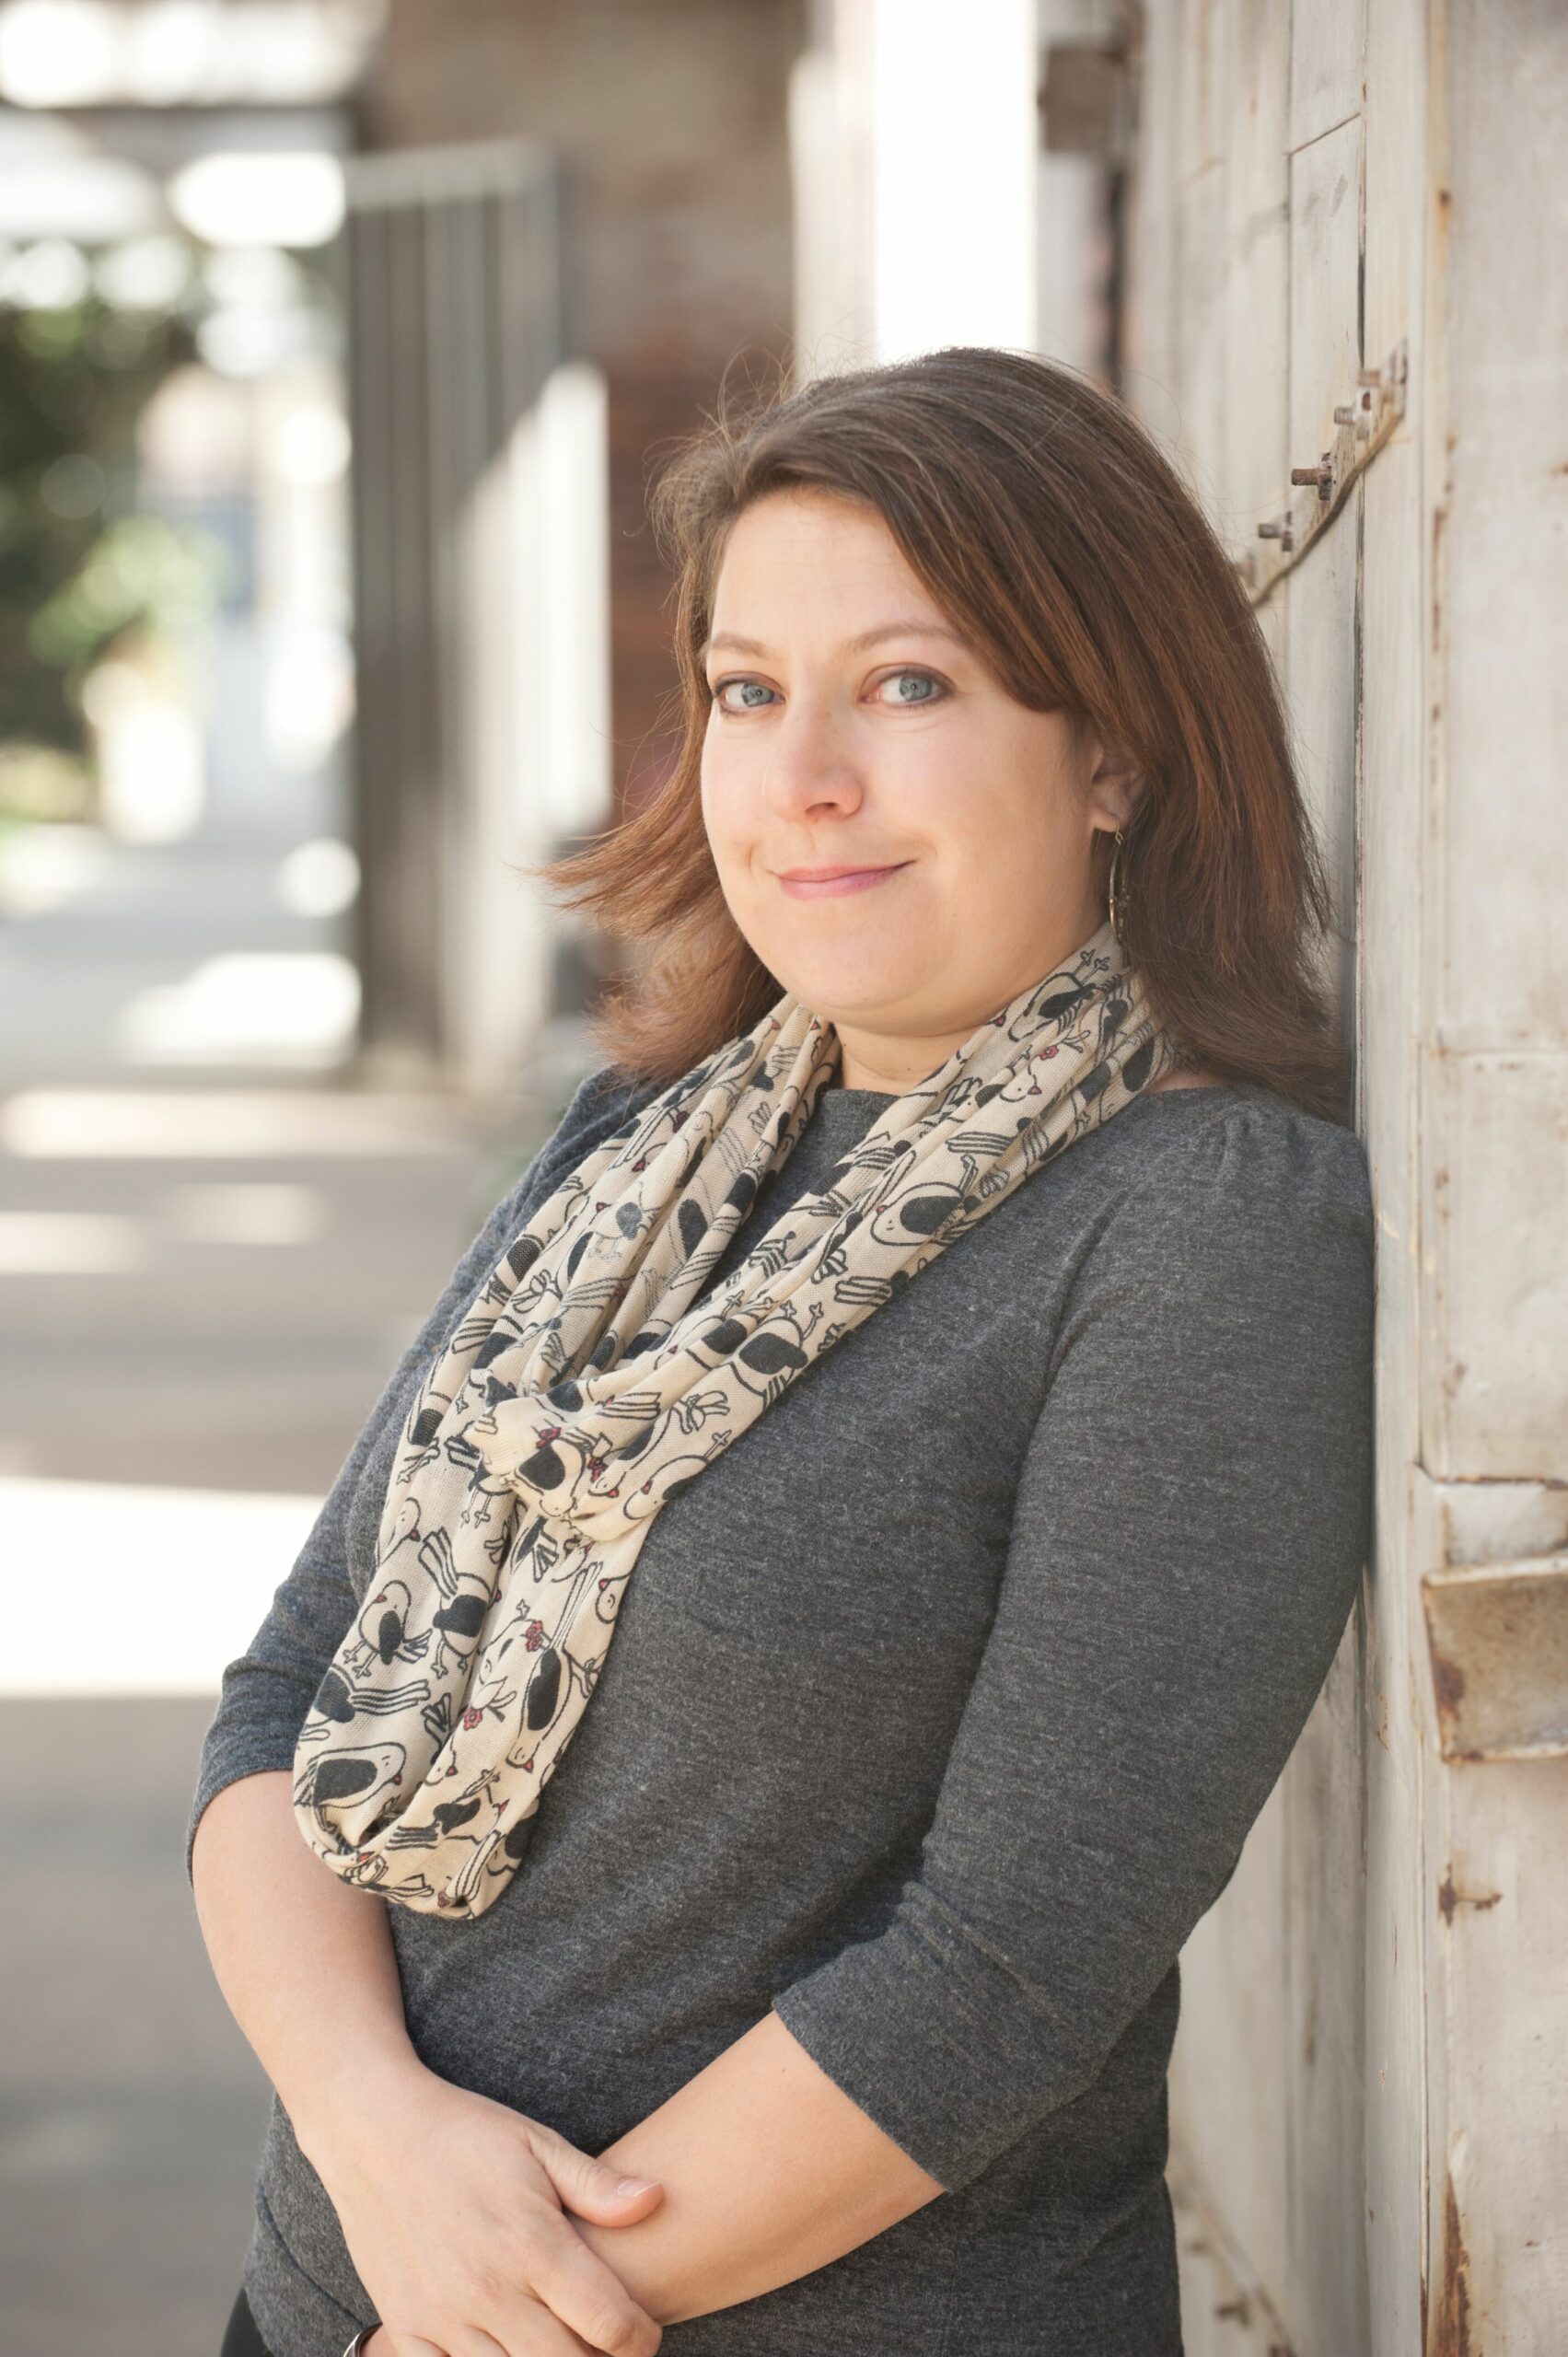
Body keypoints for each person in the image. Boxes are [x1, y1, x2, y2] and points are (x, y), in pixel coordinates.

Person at [189, 345, 1375, 2357]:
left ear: (1116, 750)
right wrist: (375, 2137)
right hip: (345, 2288)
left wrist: (495, 2313)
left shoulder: (1202, 1224)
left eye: (909, 685)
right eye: (750, 689)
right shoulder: (631, 1152)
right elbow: (285, 1709)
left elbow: (1004, 1963)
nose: (803, 773)